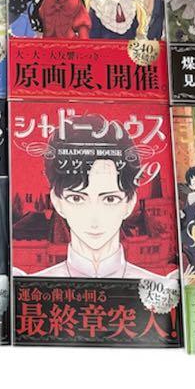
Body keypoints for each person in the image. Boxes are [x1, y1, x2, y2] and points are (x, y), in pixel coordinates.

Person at [20, 116, 174, 280]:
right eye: (77, 199)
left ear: (130, 202)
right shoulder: (32, 284)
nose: (94, 219)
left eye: (110, 199)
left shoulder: (159, 285)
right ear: (57, 201)